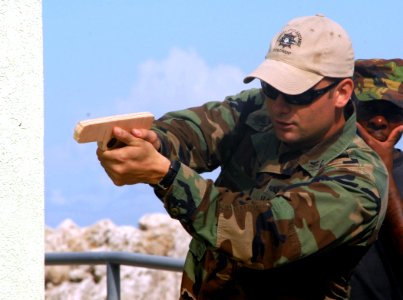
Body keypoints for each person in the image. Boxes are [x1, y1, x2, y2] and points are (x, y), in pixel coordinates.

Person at [97, 15, 388, 299]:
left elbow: (263, 236)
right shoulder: (259, 110)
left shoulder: (358, 180)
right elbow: (197, 130)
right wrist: (153, 141)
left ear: (342, 93)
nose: (279, 106)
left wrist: (166, 176)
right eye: (271, 89)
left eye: (297, 95)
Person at [349, 58, 403, 299]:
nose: (379, 121)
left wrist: (384, 174)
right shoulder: (321, 167)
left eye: (391, 111)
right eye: (369, 108)